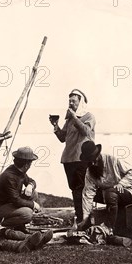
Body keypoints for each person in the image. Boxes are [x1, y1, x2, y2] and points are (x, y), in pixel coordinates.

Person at [51, 89, 96, 225]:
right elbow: (63, 138)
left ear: (80, 102)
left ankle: (84, 219)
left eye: (73, 101)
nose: (70, 103)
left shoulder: (89, 116)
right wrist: (55, 125)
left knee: (82, 189)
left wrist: (75, 118)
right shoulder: (70, 119)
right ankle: (80, 217)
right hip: (68, 159)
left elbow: (86, 132)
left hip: (82, 158)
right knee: (74, 189)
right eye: (69, 101)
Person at [78, 141, 132, 233]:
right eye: (91, 160)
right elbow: (88, 194)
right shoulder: (90, 171)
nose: (94, 163)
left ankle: (109, 227)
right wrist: (85, 217)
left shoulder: (113, 159)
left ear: (99, 154)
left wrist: (122, 184)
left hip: (125, 192)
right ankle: (91, 223)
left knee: (110, 193)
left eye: (95, 158)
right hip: (107, 195)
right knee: (88, 192)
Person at [0, 147, 42, 233]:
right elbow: (16, 201)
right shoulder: (9, 176)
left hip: (8, 204)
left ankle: (19, 226)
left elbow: (31, 181)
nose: (30, 165)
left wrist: (30, 185)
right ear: (26, 165)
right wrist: (33, 204)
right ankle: (1, 226)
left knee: (34, 193)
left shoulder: (19, 171)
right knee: (27, 214)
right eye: (30, 163)